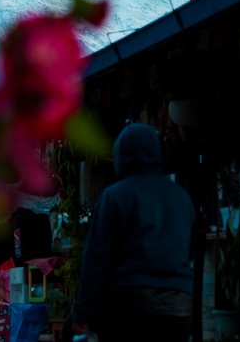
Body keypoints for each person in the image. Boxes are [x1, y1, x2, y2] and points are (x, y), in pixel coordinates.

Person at [70, 123, 196, 342]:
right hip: (179, 308)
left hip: (129, 305)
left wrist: (82, 315)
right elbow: (189, 251)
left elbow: (96, 262)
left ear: (120, 156)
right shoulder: (182, 197)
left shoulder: (115, 196)